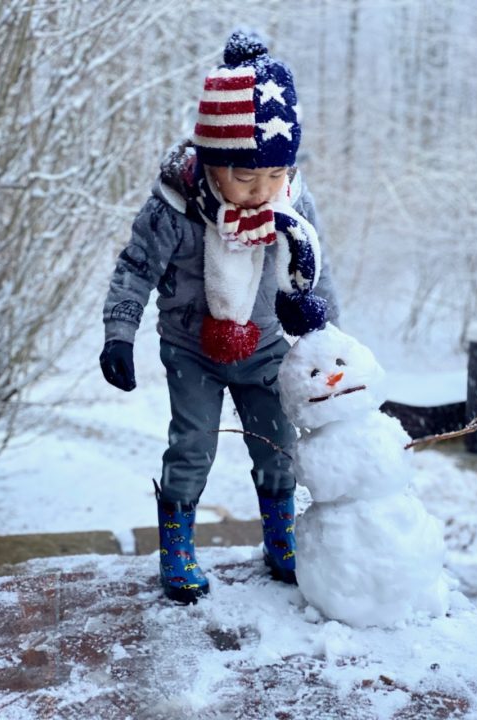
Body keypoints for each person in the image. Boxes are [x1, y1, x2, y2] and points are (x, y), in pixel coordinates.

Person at [100, 30, 340, 604]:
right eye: (244, 177)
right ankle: (177, 545)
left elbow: (316, 272)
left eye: (272, 177)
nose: (261, 192)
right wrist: (119, 333)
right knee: (193, 443)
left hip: (265, 344)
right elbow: (133, 268)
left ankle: (281, 536)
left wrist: (328, 340)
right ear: (211, 161)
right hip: (191, 348)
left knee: (276, 440)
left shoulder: (291, 202)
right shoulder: (174, 208)